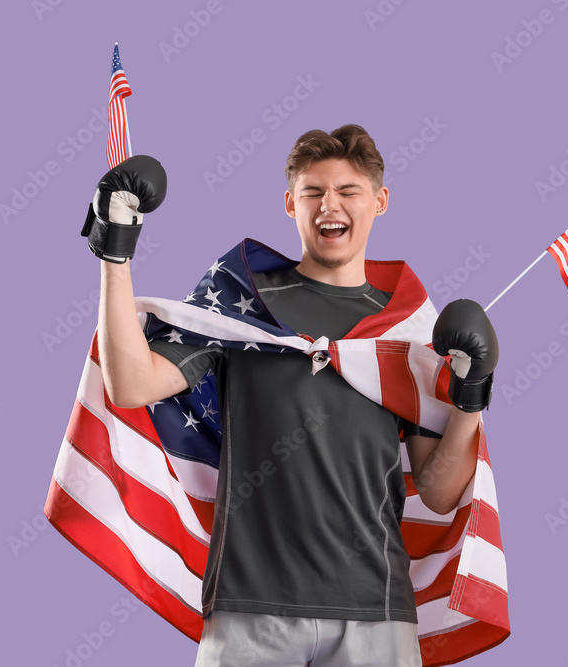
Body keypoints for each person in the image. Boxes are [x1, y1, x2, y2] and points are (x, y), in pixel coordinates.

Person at [82, 124, 498, 666]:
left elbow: (440, 493)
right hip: (249, 608)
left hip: (375, 609)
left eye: (348, 191)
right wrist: (115, 251)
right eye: (313, 191)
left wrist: (470, 398)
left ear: (379, 201)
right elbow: (131, 383)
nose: (331, 204)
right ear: (289, 203)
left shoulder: (411, 328)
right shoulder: (240, 300)